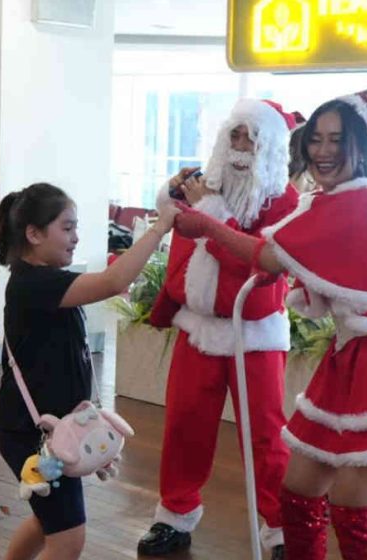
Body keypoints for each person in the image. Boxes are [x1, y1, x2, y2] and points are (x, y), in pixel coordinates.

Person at [173, 85, 367, 559]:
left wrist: (206, 224)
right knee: (299, 493)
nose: (323, 151)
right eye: (317, 139)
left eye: (337, 140)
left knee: (353, 511)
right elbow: (279, 257)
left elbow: (269, 255)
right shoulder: (330, 202)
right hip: (348, 357)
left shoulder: (358, 203)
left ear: (361, 148)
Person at [137, 100, 300, 559]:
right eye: (235, 134)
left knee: (267, 435)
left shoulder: (284, 201)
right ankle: (174, 516)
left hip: (256, 332)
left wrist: (207, 212)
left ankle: (282, 528)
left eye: (252, 137)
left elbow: (254, 258)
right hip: (199, 329)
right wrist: (175, 193)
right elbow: (173, 215)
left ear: (270, 146)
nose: (241, 145)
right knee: (185, 425)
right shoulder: (205, 181)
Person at [0, 182, 179, 560]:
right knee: (67, 540)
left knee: (50, 525)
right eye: (67, 228)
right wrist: (160, 228)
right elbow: (113, 282)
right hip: (34, 434)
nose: (76, 238)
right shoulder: (33, 284)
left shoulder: (44, 280)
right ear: (33, 233)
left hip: (50, 429)